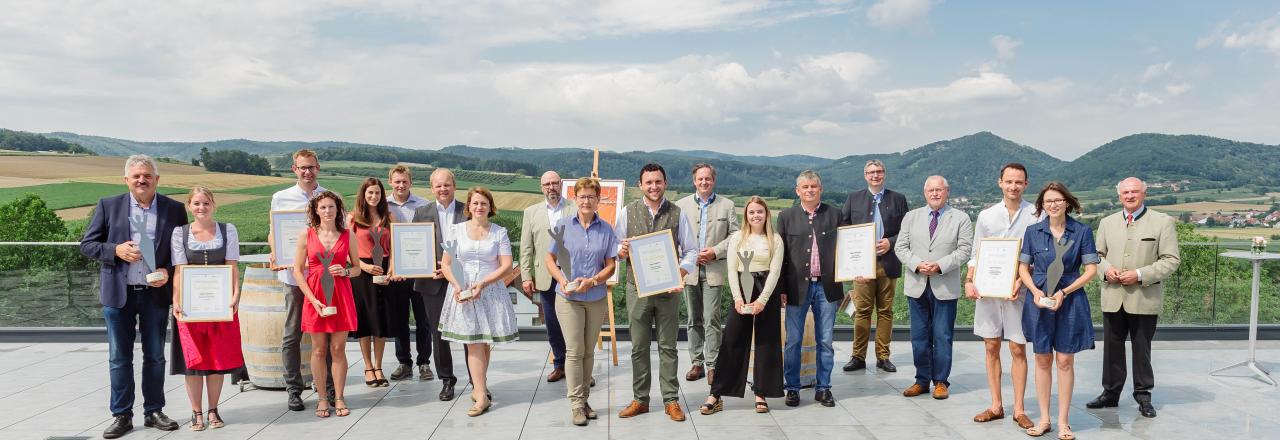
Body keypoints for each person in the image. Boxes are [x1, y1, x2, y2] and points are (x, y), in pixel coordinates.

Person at [80, 154, 187, 438]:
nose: (142, 180)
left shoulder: (174, 210)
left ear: (157, 179)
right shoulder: (108, 206)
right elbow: (87, 245)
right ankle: (121, 416)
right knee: (119, 358)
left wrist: (167, 270)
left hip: (155, 296)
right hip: (118, 295)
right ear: (126, 179)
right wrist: (115, 250)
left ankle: (153, 411)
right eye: (136, 175)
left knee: (155, 356)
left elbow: (181, 254)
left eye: (147, 175)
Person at [1087, 177, 1180, 419]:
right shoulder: (1106, 223)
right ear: (1119, 196)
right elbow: (1096, 255)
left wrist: (1139, 275)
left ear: (1144, 194)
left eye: (1134, 192)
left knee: (1142, 349)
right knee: (1112, 348)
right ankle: (1110, 393)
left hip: (1144, 297)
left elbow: (1171, 259)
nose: (1130, 196)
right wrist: (1106, 269)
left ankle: (1143, 395)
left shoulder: (1162, 222)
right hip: (1113, 296)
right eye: (1125, 192)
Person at [615, 163, 698, 422]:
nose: (653, 186)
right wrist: (621, 250)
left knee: (668, 347)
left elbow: (691, 250)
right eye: (648, 182)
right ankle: (640, 400)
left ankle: (671, 400)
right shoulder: (628, 212)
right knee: (639, 347)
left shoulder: (678, 213)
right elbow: (615, 247)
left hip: (668, 290)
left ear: (665, 183)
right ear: (640, 185)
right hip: (636, 289)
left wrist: (680, 274)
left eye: (658, 181)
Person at [1017, 182, 1099, 439]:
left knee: (1064, 360)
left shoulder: (1082, 232)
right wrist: (1035, 291)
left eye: (1057, 200)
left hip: (1070, 298)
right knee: (1042, 359)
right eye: (1047, 201)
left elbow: (1091, 271)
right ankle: (1044, 420)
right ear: (1042, 205)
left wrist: (1065, 292)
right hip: (1039, 300)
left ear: (1067, 203)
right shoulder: (1032, 232)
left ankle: (1064, 422)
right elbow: (1022, 268)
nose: (1052, 204)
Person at [965, 163, 1039, 429]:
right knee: (990, 346)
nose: (1013, 186)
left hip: (1017, 292)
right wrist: (969, 280)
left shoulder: (1035, 214)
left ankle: (1019, 409)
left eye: (1018, 182)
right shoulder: (987, 216)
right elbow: (976, 252)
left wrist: (1021, 280)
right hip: (987, 290)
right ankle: (996, 405)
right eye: (1009, 181)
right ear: (1000, 183)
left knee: (1018, 347)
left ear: (1026, 184)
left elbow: (1037, 256)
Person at [437, 186, 520, 417]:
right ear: (469, 206)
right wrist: (456, 284)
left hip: (489, 291)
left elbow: (505, 265)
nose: (479, 207)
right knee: (473, 343)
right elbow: (446, 263)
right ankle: (481, 394)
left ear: (490, 207)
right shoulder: (455, 230)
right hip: (463, 292)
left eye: (483, 203)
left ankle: (479, 387)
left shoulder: (499, 232)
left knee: (483, 343)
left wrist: (483, 283)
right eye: (475, 203)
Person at [169, 187, 246, 431]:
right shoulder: (179, 233)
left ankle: (213, 410)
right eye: (196, 204)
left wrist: (236, 294)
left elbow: (232, 265)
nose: (201, 208)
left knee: (217, 360)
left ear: (213, 205)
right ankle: (196, 412)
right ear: (189, 206)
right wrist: (176, 301)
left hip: (220, 305)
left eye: (206, 203)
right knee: (192, 362)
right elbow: (179, 272)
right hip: (192, 306)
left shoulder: (227, 230)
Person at [699, 196, 784, 415]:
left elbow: (774, 272)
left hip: (766, 291)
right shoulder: (737, 237)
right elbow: (731, 270)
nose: (756, 215)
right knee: (732, 341)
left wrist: (762, 300)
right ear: (745, 215)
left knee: (767, 342)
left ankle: (761, 393)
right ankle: (715, 394)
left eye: (760, 212)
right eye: (751, 212)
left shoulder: (775, 239)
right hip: (742, 287)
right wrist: (738, 298)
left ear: (767, 214)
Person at [545, 177, 618, 426]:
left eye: (591, 196)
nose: (587, 200)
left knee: (589, 352)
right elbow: (549, 259)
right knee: (575, 352)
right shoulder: (563, 225)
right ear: (575, 199)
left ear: (598, 200)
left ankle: (585, 400)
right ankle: (576, 404)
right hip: (568, 298)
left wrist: (595, 280)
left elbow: (611, 266)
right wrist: (560, 279)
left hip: (595, 297)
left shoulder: (607, 230)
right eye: (582, 196)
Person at [895, 175, 973, 401]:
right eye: (931, 190)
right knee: (919, 337)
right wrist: (917, 264)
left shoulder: (961, 218)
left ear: (947, 191)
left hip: (944, 284)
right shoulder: (911, 217)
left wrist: (940, 266)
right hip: (917, 284)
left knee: (942, 335)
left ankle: (940, 381)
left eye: (940, 190)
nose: (935, 194)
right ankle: (921, 380)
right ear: (925, 192)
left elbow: (964, 250)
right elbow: (901, 247)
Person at [777, 170, 845, 408]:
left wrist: (856, 270)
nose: (809, 190)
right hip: (796, 288)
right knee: (793, 341)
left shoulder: (836, 215)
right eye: (805, 187)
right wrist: (781, 288)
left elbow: (848, 250)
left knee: (825, 341)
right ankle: (792, 388)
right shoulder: (786, 217)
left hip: (827, 288)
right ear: (797, 191)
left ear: (821, 189)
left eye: (813, 186)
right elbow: (781, 257)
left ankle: (823, 388)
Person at [269, 149, 330, 411]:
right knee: (292, 334)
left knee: (325, 334)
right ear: (294, 169)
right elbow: (273, 232)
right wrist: (275, 253)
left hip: (321, 277)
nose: (307, 171)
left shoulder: (329, 197)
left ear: (318, 168)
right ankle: (293, 389)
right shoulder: (280, 198)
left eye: (311, 167)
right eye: (302, 167)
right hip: (293, 278)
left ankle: (326, 388)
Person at [292, 191, 360, 418]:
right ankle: (322, 399)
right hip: (316, 296)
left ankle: (339, 397)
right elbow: (298, 272)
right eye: (323, 208)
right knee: (319, 350)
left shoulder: (348, 235)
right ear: (315, 210)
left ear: (338, 209)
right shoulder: (306, 234)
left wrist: (346, 271)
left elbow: (358, 268)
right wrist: (313, 300)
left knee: (338, 349)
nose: (327, 211)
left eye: (331, 207)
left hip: (341, 294)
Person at [840, 159, 908, 373]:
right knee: (862, 311)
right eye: (871, 172)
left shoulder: (898, 199)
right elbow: (844, 228)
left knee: (886, 311)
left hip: (888, 262)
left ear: (884, 174)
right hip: (861, 265)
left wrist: (891, 242)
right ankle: (858, 356)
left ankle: (883, 356)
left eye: (879, 172)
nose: (875, 175)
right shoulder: (854, 198)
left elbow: (906, 231)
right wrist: (851, 265)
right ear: (865, 175)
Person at [675, 163, 739, 384]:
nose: (704, 182)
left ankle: (712, 364)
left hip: (714, 269)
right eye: (700, 179)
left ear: (714, 180)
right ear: (694, 181)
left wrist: (715, 251)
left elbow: (735, 236)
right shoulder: (681, 205)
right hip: (689, 270)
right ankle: (696, 363)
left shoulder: (727, 205)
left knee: (712, 318)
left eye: (708, 179)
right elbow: (674, 237)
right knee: (693, 318)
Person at [409, 168, 468, 400]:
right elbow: (414, 247)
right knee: (438, 333)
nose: (443, 189)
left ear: (454, 185)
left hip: (462, 280)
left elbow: (476, 245)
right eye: (438, 185)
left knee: (468, 332)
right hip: (431, 281)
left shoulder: (468, 210)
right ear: (431, 187)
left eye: (447, 185)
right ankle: (447, 380)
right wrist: (426, 266)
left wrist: (449, 269)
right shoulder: (421, 212)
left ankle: (477, 381)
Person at [520, 171, 576, 382]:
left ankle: (579, 368)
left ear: (561, 184)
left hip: (571, 274)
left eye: (554, 183)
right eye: (547, 184)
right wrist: (526, 276)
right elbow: (526, 248)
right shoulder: (531, 212)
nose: (551, 187)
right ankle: (560, 365)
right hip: (545, 276)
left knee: (575, 323)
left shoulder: (575, 207)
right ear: (541, 187)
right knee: (553, 324)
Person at [384, 165, 434, 382]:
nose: (401, 185)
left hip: (421, 270)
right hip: (396, 271)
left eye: (404, 181)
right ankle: (404, 362)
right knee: (400, 319)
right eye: (397, 181)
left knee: (423, 319)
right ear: (390, 182)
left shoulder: (424, 205)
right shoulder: (382, 205)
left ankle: (424, 362)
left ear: (410, 182)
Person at [348, 178, 393, 388]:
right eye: (370, 193)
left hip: (383, 270)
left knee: (380, 321)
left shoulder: (388, 217)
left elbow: (395, 247)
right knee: (365, 320)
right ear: (363, 195)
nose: (374, 196)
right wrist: (363, 267)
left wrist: (392, 268)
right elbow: (345, 251)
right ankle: (368, 367)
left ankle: (379, 366)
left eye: (377, 193)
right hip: (362, 272)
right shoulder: (352, 219)